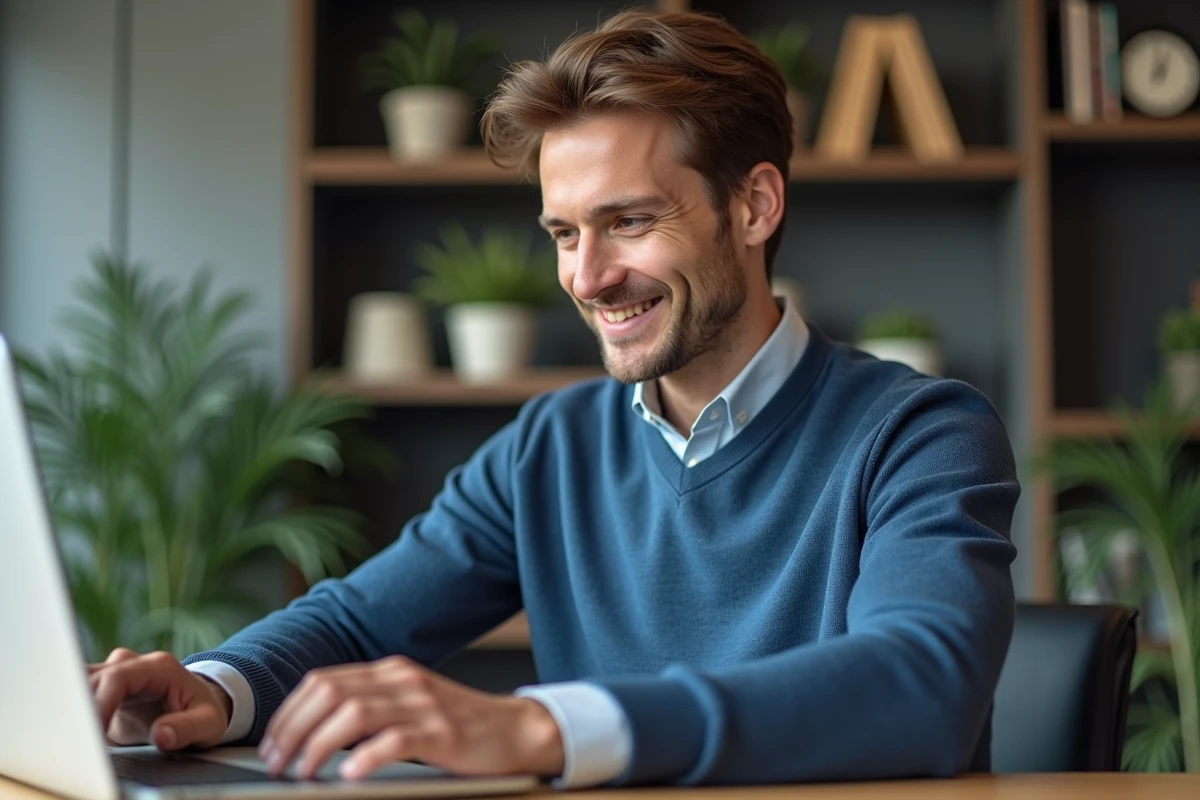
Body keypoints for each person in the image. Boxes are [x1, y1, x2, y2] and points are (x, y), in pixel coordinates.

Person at [87, 8, 1020, 789]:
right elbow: (356, 623)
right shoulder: (551, 447)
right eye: (563, 232)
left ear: (754, 206)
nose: (587, 277)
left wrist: (545, 729)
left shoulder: (919, 433)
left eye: (629, 222)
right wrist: (217, 687)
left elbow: (923, 684)